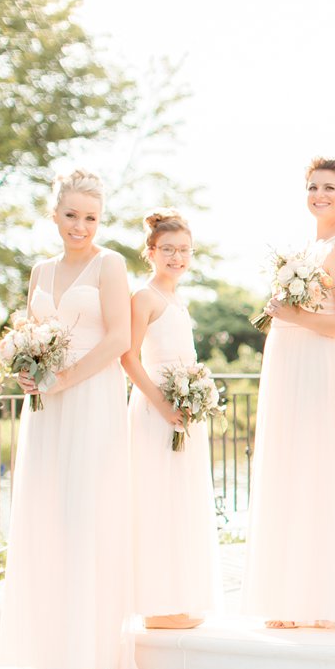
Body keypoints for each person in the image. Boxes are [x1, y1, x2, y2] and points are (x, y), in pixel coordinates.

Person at [0, 168, 135, 669]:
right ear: (54, 214)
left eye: (91, 218)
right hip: (46, 407)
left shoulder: (110, 265)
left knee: (85, 513)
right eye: (72, 215)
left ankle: (90, 650)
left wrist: (66, 378)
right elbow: (32, 332)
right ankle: (51, 648)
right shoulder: (39, 271)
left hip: (91, 399)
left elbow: (119, 339)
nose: (81, 226)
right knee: (48, 513)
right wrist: (28, 370)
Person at [241, 158, 335, 629]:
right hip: (289, 363)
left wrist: (295, 317)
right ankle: (288, 596)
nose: (319, 195)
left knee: (317, 472)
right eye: (313, 187)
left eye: (330, 187)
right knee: (290, 470)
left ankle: (315, 600)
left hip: (319, 366)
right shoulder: (310, 246)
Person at [120, 209, 221, 630]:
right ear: (151, 252)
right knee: (156, 500)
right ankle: (156, 607)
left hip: (184, 412)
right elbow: (127, 355)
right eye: (168, 250)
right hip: (155, 408)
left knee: (181, 502)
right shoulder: (144, 297)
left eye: (183, 250)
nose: (177, 257)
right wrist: (161, 403)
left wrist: (195, 394)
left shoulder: (179, 299)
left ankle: (176, 598)